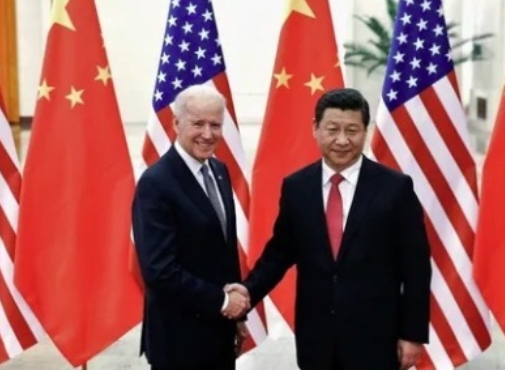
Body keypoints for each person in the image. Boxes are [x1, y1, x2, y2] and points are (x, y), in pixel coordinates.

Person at [227, 88, 432, 369]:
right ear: (315, 128)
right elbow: (280, 253)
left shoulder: (395, 188)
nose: (342, 140)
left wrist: (412, 334)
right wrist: (247, 293)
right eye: (332, 129)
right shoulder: (297, 187)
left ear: (365, 131)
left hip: (376, 338)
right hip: (317, 338)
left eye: (352, 130)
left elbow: (416, 267)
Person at [132, 84, 249, 370]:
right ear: (176, 123)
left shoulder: (219, 170)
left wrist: (236, 315)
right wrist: (224, 302)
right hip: (178, 340)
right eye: (198, 124)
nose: (208, 134)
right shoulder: (156, 183)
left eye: (215, 125)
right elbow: (159, 270)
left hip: (219, 333)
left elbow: (223, 249)